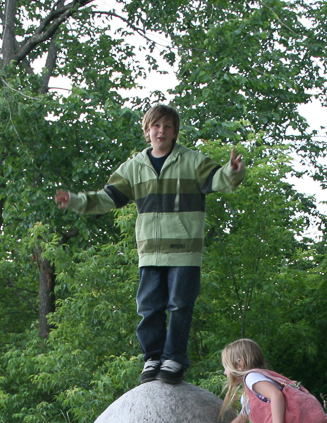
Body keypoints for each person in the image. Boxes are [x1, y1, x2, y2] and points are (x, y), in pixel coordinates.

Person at [54, 104, 246, 385]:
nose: (162, 131)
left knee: (180, 305)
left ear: (175, 132)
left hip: (184, 251)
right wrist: (75, 200)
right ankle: (153, 357)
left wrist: (232, 171)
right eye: (156, 126)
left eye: (168, 127)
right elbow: (108, 197)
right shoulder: (134, 167)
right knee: (148, 307)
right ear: (147, 131)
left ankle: (174, 359)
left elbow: (219, 179)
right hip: (150, 251)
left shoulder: (192, 161)